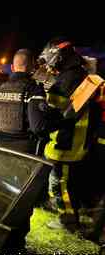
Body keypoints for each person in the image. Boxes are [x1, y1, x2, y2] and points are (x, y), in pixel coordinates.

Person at [33, 37, 93, 231]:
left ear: (57, 57)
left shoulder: (69, 78)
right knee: (64, 182)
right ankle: (66, 212)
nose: (49, 68)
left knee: (61, 184)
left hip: (67, 142)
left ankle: (68, 222)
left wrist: (41, 103)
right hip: (73, 139)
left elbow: (55, 111)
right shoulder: (77, 73)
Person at [0, 49, 45, 154]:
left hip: (3, 149)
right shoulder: (34, 90)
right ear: (32, 68)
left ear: (12, 67)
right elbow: (37, 128)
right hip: (27, 154)